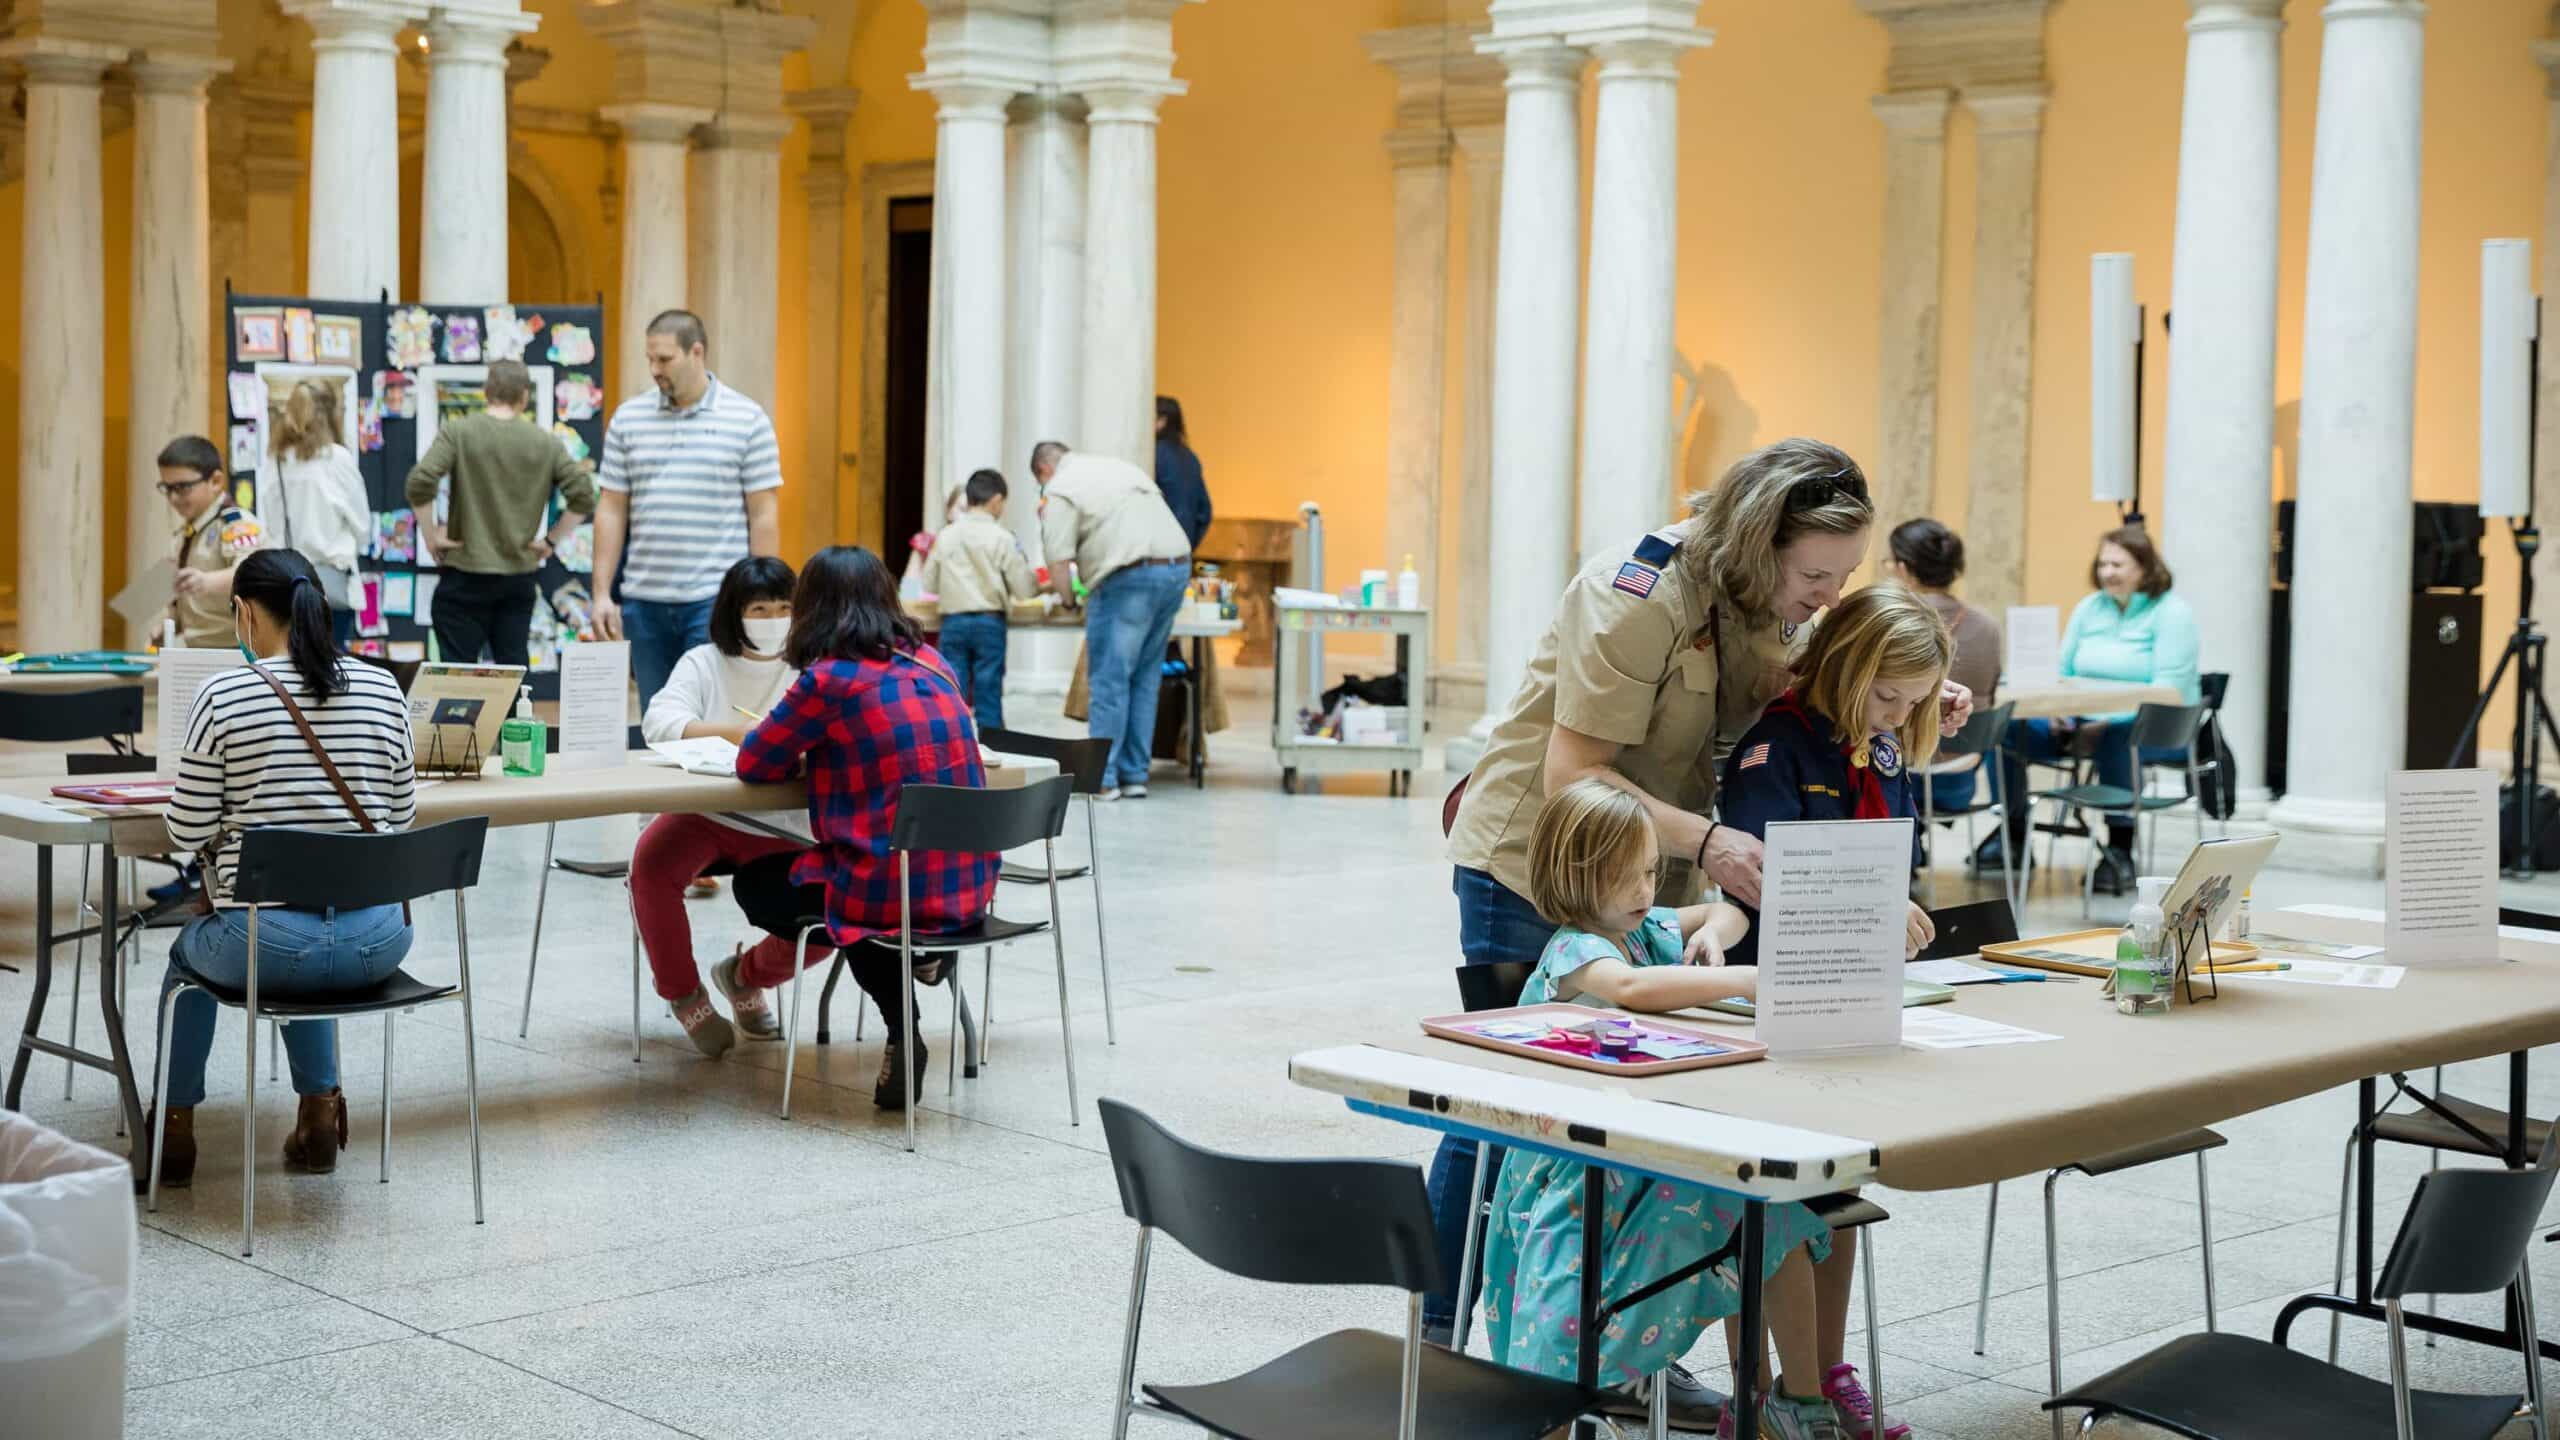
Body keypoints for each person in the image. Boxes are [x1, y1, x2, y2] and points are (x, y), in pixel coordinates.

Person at [1432, 438, 1973, 1362]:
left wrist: (1912, 698)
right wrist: (1713, 841)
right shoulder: (1633, 595)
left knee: (1646, 1126)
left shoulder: (1771, 601)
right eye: (1815, 574)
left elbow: (1817, 682)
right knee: (1502, 1109)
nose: (1826, 596)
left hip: (1650, 871)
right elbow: (1574, 774)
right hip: (1542, 859)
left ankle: (1622, 1355)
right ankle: (1441, 1341)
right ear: (1759, 542)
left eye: (1841, 577)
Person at [1474, 779, 1848, 1440]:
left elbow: (1720, 912)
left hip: (1645, 1161)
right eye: (1626, 878)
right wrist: (1740, 978)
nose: (1645, 891)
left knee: (1776, 1211)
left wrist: (1715, 940)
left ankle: (1796, 1398)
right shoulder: (1575, 949)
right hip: (1573, 1175)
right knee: (1558, 1342)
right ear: (1576, 876)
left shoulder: (1638, 927)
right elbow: (1630, 988)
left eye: (1650, 872)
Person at [145, 548, 418, 1190]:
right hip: (378, 944)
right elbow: (400, 820)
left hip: (269, 946)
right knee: (315, 913)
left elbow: (185, 831)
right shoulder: (382, 685)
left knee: (194, 958)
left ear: (242, 614)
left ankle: (175, 1132)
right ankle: (320, 1116)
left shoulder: (224, 692)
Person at [728, 546, 994, 1110]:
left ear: (810, 609)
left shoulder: (827, 680)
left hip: (892, 883)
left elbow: (754, 764)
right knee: (873, 881)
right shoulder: (931, 662)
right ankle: (923, 958)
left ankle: (904, 1032)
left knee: (763, 886)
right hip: (969, 886)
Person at [633, 556, 806, 1058]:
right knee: (649, 866)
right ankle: (684, 992)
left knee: (841, 896)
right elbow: (659, 722)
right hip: (707, 814)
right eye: (759, 608)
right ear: (735, 611)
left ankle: (744, 976)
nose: (772, 619)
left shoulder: (809, 664)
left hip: (787, 822)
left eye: (783, 607)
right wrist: (735, 733)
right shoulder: (703, 661)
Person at [1985, 525, 2200, 894]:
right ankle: (2015, 833)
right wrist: (2057, 712)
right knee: (2004, 729)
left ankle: (2119, 849)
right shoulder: (2089, 608)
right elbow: (2062, 672)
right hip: (2081, 725)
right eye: (2103, 564)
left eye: (2118, 564)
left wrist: (2106, 722)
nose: (2108, 573)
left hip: (2155, 731)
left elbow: (2171, 691)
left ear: (2146, 568)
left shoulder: (2171, 612)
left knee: (2119, 736)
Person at [591, 309, 786, 707]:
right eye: (650, 359)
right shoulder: (629, 418)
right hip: (644, 600)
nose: (654, 369)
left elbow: (763, 514)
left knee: (710, 716)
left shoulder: (747, 419)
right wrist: (600, 594)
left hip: (714, 597)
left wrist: (763, 599)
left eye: (664, 359)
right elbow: (611, 510)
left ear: (696, 352)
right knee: (656, 716)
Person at [407, 358, 598, 668]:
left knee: (457, 679)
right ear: (525, 397)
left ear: (486, 391)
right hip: (517, 578)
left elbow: (420, 481)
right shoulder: (545, 443)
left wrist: (431, 537)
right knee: (512, 675)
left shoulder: (459, 432)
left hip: (464, 573)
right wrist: (550, 541)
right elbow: (584, 495)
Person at [1032, 440, 1195, 798]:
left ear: (1044, 471)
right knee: (1144, 677)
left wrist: (1070, 600)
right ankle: (1135, 775)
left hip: (1128, 576)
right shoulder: (1117, 466)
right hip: (1177, 567)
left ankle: (1103, 779)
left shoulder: (1061, 488)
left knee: (1109, 679)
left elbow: (1058, 561)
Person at [1880, 518, 2000, 812]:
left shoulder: (1889, 622)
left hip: (1896, 779)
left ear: (1903, 568)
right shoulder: (1989, 626)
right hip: (1960, 779)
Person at [921, 467, 1037, 734]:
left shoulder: (946, 535)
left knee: (952, 691)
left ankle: (952, 747)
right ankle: (994, 754)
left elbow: (929, 582)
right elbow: (1023, 587)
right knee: (988, 693)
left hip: (953, 622)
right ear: (996, 500)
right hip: (989, 622)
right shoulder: (1002, 537)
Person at [263, 381, 371, 646]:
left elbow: (270, 522)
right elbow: (362, 527)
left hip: (286, 584)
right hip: (330, 583)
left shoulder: (277, 460)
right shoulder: (337, 459)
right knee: (331, 669)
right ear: (332, 414)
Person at [159, 434, 263, 649]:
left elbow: (252, 574)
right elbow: (184, 601)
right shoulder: (183, 535)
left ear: (215, 481)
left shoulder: (235, 525)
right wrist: (168, 624)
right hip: (196, 649)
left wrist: (206, 582)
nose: (173, 498)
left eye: (183, 487)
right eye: (167, 488)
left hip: (235, 650)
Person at [1153, 395, 1213, 552]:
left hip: (1156, 551)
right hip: (1182, 552)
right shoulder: (1190, 457)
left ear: (1162, 420)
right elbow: (1205, 512)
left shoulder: (1153, 455)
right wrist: (1189, 543)